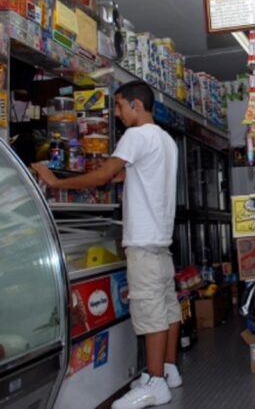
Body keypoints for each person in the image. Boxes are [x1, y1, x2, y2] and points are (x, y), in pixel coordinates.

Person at [34, 81, 181, 409]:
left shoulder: (136, 136)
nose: (116, 113)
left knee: (151, 312)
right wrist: (125, 176)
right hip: (161, 241)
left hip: (143, 242)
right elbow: (140, 176)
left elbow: (101, 177)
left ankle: (155, 384)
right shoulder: (166, 141)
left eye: (118, 106)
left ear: (136, 106)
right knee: (167, 308)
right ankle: (169, 371)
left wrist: (56, 181)